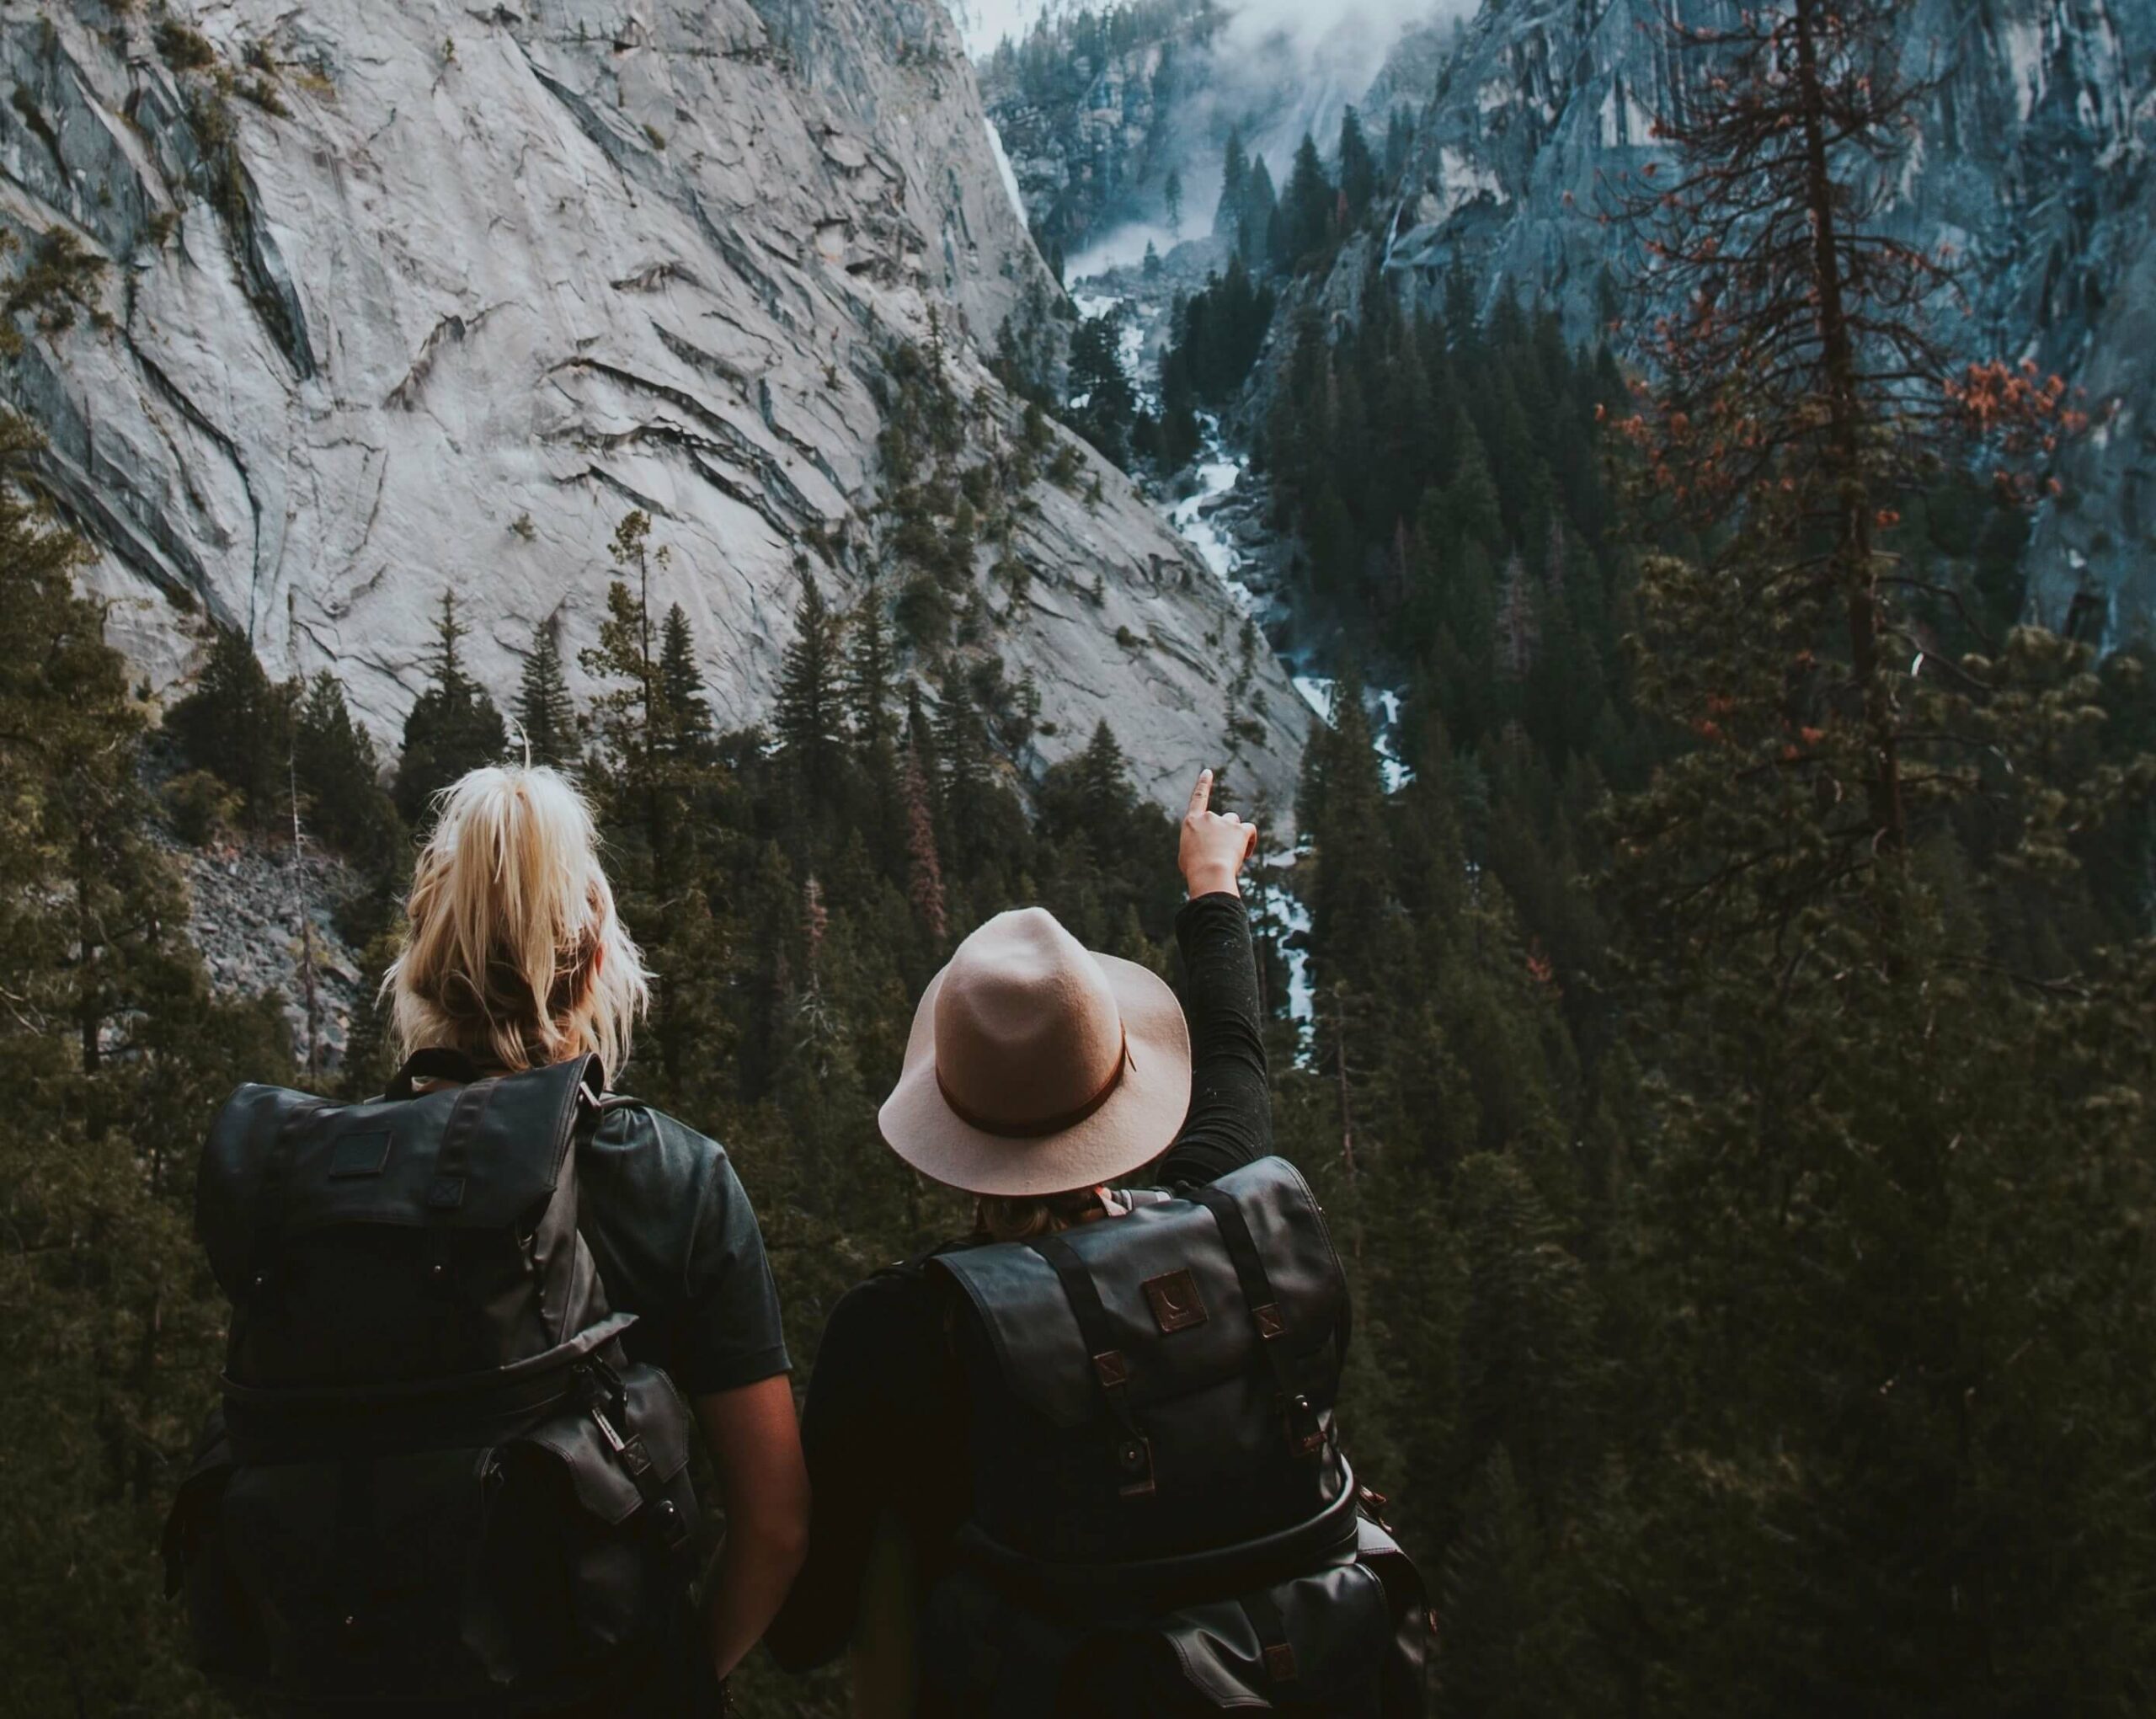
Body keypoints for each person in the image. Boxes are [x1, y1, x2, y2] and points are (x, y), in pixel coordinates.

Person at [167, 766, 808, 1715]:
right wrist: (674, 1680)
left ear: (418, 955)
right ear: (594, 959)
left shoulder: (323, 1183)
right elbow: (777, 1523)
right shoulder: (676, 1176)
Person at [768, 766, 1311, 1711]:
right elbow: (1233, 1059)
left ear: (950, 1128)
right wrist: (1214, 883)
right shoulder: (1214, 1231)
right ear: (1120, 1088)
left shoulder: (898, 1332)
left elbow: (809, 1624)